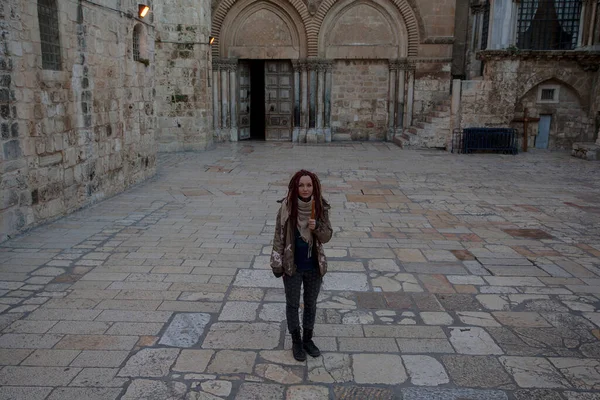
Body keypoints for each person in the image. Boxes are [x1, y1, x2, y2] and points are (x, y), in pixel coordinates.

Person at [270, 170, 333, 361]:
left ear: (314, 187)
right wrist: (276, 263)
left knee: (311, 304)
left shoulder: (320, 207)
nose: (305, 189)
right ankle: (296, 341)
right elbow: (278, 237)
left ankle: (308, 339)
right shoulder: (286, 208)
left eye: (309, 185)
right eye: (301, 185)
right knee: (292, 304)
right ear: (295, 187)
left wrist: (317, 228)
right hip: (293, 266)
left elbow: (327, 235)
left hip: (314, 266)